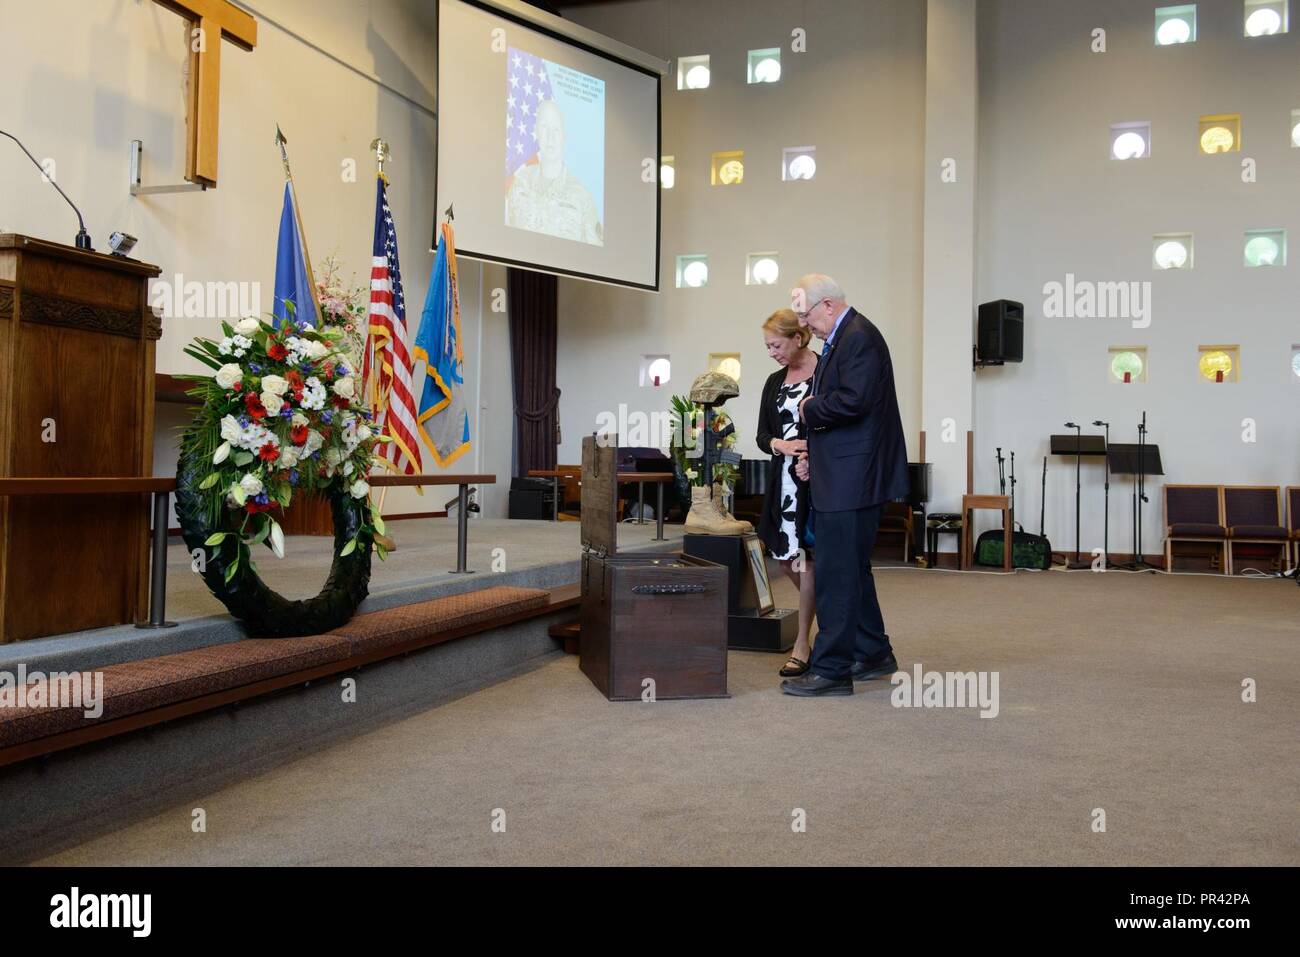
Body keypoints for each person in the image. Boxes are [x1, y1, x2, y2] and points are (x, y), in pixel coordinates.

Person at [780, 274, 908, 697]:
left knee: (836, 572)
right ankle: (872, 653)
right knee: (852, 568)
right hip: (845, 473)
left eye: (807, 315)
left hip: (855, 477)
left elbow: (855, 401)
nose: (805, 324)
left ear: (829, 306)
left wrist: (810, 406)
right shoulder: (844, 337)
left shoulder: (858, 337)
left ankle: (832, 670)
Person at [755, 308, 818, 677]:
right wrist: (781, 444)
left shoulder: (825, 372)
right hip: (783, 481)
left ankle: (803, 642)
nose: (772, 352)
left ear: (798, 337)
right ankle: (828, 615)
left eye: (776, 344)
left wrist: (809, 450)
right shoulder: (773, 381)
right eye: (767, 346)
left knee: (807, 560)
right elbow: (762, 436)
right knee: (784, 558)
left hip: (818, 479)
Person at [505, 99, 603, 246]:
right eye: (545, 127)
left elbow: (597, 260)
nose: (550, 137)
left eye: (556, 129)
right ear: (536, 131)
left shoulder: (582, 198)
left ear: (564, 135)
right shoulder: (520, 184)